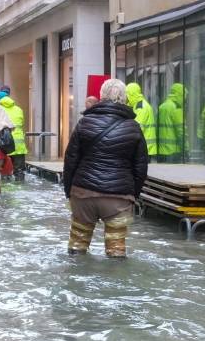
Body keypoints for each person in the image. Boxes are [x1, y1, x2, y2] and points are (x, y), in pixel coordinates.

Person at [62, 79, 150, 257]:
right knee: (116, 250)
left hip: (83, 193)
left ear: (101, 96)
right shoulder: (133, 127)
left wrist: (69, 191)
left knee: (77, 246)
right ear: (124, 98)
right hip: (118, 197)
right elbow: (140, 167)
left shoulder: (84, 123)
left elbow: (70, 160)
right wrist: (133, 195)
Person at [0, 86, 28, 182]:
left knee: (4, 173)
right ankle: (20, 192)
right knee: (20, 172)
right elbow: (21, 124)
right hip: (19, 147)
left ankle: (4, 195)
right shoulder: (19, 109)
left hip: (4, 146)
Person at [156, 82, 187, 163]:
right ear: (180, 95)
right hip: (173, 151)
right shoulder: (176, 107)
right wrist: (186, 149)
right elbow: (181, 131)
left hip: (161, 150)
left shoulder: (162, 106)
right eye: (184, 97)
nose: (185, 100)